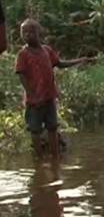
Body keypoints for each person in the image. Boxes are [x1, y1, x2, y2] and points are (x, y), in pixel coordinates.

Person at [15, 18, 94, 160]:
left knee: (52, 127)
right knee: (35, 130)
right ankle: (39, 159)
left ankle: (55, 158)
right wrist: (32, 95)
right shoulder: (23, 54)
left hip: (49, 96)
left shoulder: (46, 50)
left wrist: (79, 61)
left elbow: (60, 63)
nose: (27, 34)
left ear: (39, 32)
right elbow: (22, 76)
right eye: (24, 32)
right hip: (34, 100)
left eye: (31, 31)